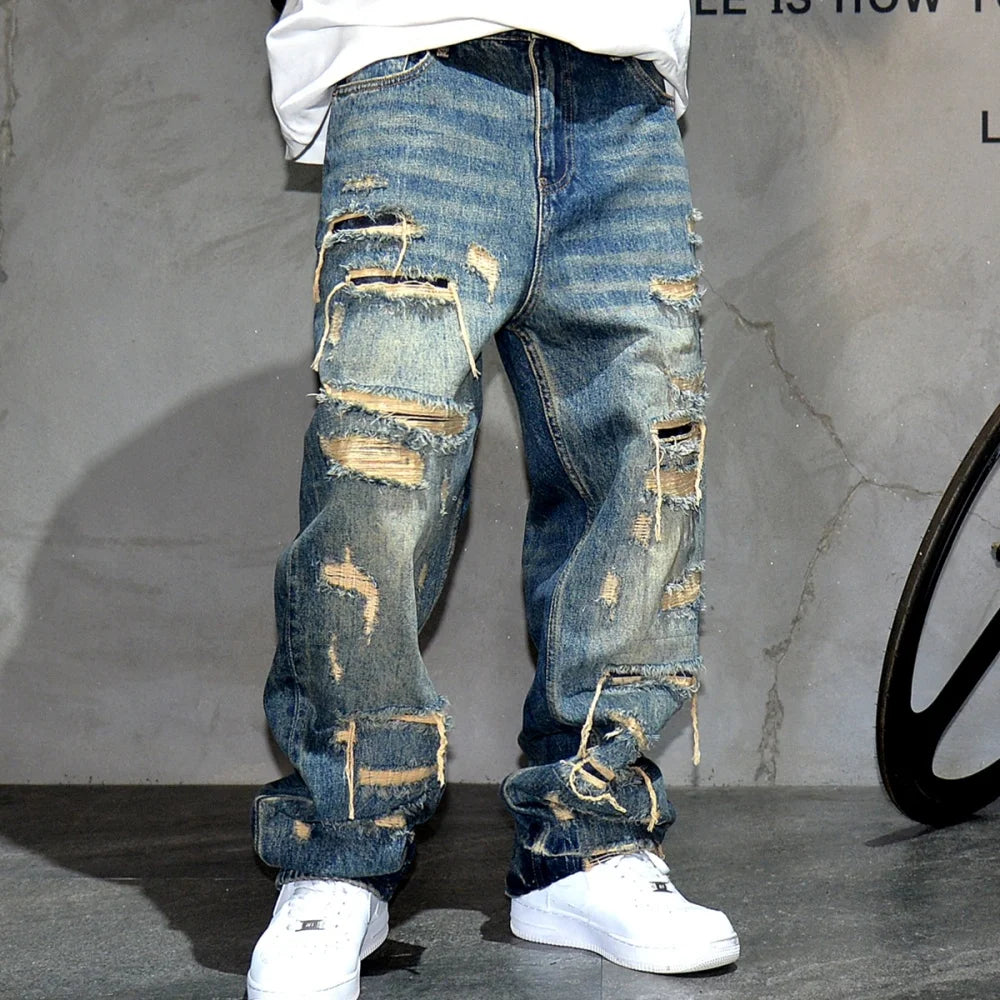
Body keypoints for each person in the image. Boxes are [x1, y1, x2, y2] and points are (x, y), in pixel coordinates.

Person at [247, 4, 739, 999]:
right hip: (407, 50)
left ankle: (586, 843)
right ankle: (342, 845)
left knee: (643, 468)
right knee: (377, 471)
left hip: (622, 78)